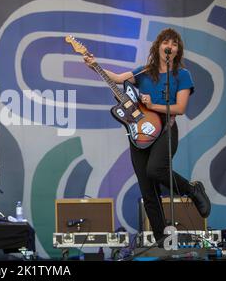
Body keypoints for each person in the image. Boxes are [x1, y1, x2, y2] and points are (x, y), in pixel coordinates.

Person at [84, 28, 211, 246]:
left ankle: (192, 190)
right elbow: (116, 78)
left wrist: (153, 105)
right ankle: (162, 238)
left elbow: (179, 108)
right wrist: (95, 65)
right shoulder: (144, 72)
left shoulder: (182, 75)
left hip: (165, 130)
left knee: (155, 170)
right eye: (165, 42)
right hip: (138, 134)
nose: (169, 46)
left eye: (174, 43)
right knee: (147, 188)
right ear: (158, 46)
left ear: (177, 50)